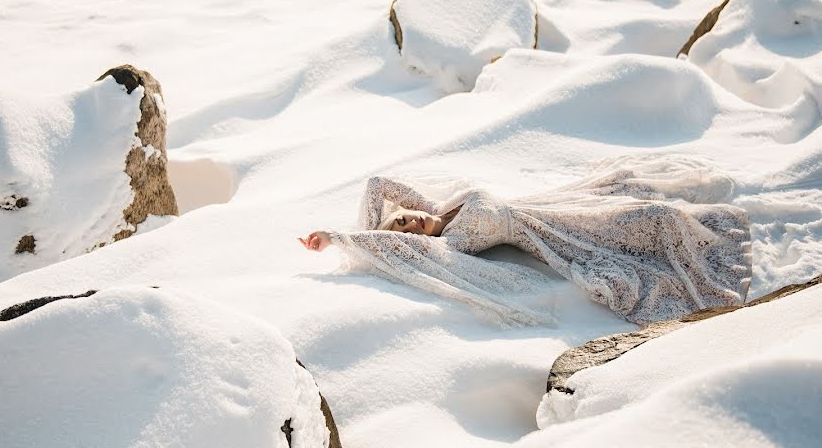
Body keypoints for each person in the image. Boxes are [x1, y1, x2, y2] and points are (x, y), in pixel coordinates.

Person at [299, 157, 752, 327]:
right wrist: (339, 238)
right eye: (405, 229)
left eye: (403, 216)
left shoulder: (438, 208)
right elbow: (388, 247)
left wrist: (380, 219)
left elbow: (378, 182)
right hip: (552, 235)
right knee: (654, 219)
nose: (411, 220)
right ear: (411, 243)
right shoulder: (447, 243)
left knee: (646, 205)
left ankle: (698, 235)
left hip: (552, 206)